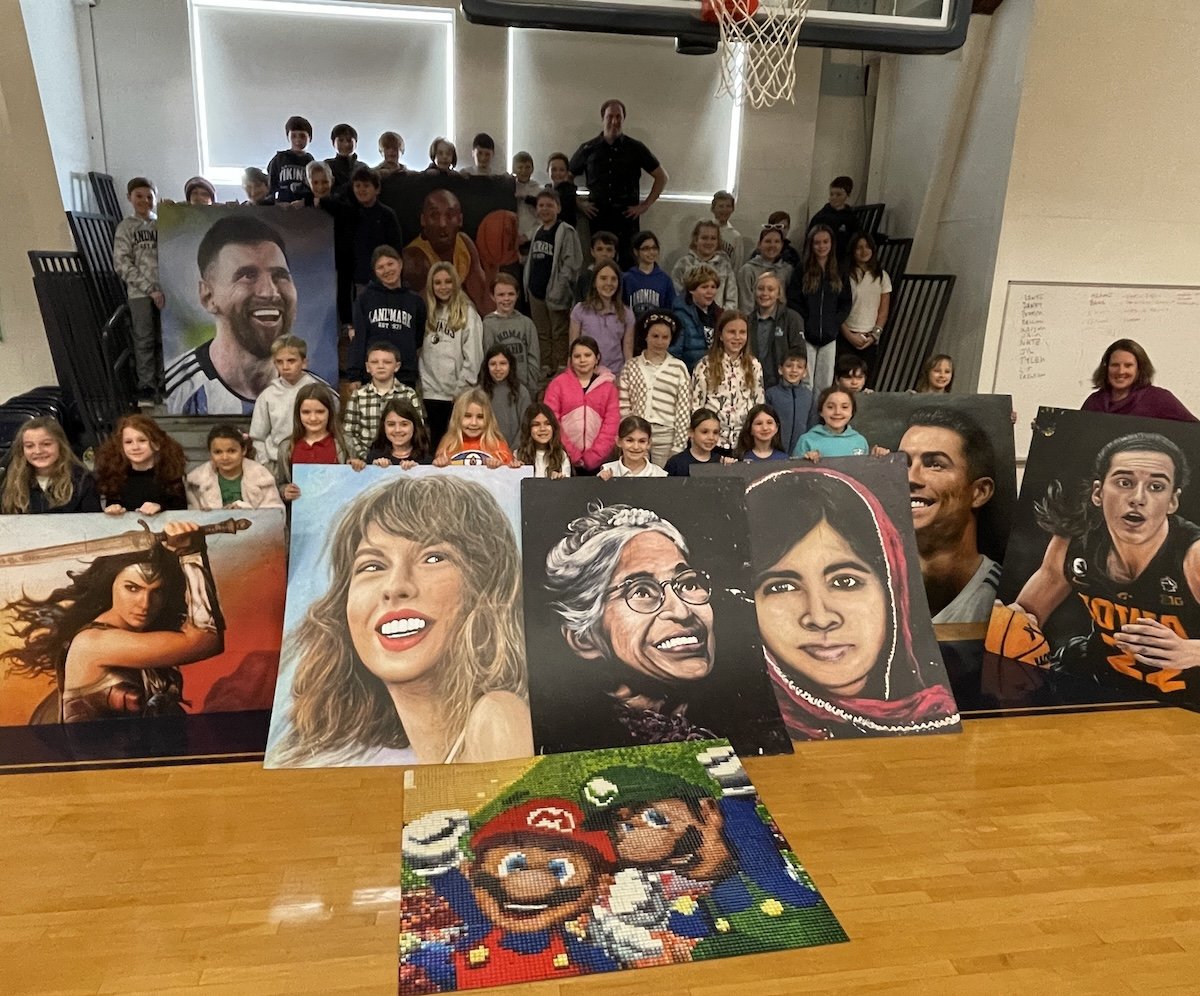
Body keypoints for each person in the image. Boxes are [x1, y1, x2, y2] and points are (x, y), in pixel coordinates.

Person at [275, 476, 532, 765]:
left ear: (486, 582)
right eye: (372, 565)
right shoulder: (347, 753)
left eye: (433, 558)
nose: (395, 586)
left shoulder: (498, 717)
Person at [745, 466, 961, 739]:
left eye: (845, 582)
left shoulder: (934, 715)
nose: (820, 617)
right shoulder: (739, 729)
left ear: (892, 588)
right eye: (781, 587)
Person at [1000, 432, 1200, 698]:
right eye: (1124, 482)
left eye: (1156, 487)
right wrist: (1004, 622)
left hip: (1182, 700)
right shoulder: (1074, 543)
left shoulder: (1192, 555)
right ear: (1098, 492)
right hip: (1097, 680)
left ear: (1172, 501)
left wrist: (1194, 652)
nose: (1138, 498)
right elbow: (1026, 616)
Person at [541, 503, 741, 749]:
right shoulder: (575, 743)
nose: (682, 611)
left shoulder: (745, 721)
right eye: (642, 591)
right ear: (584, 638)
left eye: (688, 584)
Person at [0, 520, 224, 723]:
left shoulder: (142, 636)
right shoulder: (94, 643)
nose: (144, 603)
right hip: (102, 767)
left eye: (157, 591)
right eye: (132, 588)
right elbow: (206, 639)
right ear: (110, 586)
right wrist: (191, 553)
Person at [164, 214, 297, 415]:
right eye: (248, 276)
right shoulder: (179, 392)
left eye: (280, 275)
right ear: (208, 296)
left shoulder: (317, 393)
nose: (269, 292)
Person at [898, 406, 999, 624]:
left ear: (979, 492)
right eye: (903, 463)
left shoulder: (1004, 601)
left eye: (935, 464)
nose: (911, 478)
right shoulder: (867, 589)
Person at [569, 98, 669, 267]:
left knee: (627, 265)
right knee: (600, 266)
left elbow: (662, 177)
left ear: (623, 119)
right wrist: (579, 203)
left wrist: (645, 205)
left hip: (626, 218)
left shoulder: (636, 148)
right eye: (610, 116)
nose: (614, 121)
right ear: (603, 118)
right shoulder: (588, 148)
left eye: (618, 117)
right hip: (598, 216)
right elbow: (565, 178)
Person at [402, 187, 493, 316]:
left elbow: (485, 308)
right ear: (423, 220)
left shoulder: (465, 243)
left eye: (450, 216)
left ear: (460, 220)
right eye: (434, 215)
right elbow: (428, 319)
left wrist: (493, 268)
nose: (442, 224)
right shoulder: (414, 259)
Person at [420, 261, 484, 443]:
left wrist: (462, 388)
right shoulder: (428, 313)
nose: (443, 287)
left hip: (457, 394)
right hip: (431, 392)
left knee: (458, 445)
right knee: (436, 447)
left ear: (455, 283)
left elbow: (474, 355)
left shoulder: (468, 313)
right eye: (437, 282)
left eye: (448, 281)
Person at [112, 176, 163, 403]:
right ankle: (146, 384)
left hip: (165, 293)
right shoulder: (126, 227)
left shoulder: (161, 224)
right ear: (130, 198)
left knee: (165, 338)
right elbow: (122, 263)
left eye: (149, 196)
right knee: (144, 339)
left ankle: (165, 382)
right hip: (140, 293)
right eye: (139, 196)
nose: (145, 201)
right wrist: (148, 287)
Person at [348, 245, 427, 391]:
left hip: (405, 376)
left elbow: (419, 337)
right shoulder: (365, 298)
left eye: (390, 264)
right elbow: (359, 337)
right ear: (375, 272)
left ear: (400, 264)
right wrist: (355, 375)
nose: (387, 270)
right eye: (380, 267)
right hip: (372, 376)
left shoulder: (415, 301)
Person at [618, 310, 690, 467]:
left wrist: (679, 444)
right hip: (637, 435)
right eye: (655, 336)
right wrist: (628, 434)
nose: (660, 341)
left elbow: (683, 410)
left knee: (662, 483)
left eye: (665, 337)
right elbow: (623, 405)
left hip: (666, 436)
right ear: (646, 336)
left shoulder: (678, 368)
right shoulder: (631, 366)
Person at [524, 188, 582, 380]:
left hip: (555, 291)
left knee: (559, 331)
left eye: (549, 205)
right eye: (541, 205)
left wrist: (561, 286)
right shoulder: (538, 231)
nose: (545, 209)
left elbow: (571, 262)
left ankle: (559, 364)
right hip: (535, 290)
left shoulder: (565, 231)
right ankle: (545, 364)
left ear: (558, 207)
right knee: (542, 331)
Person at [250, 335, 328, 476]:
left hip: (313, 462)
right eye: (279, 362)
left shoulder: (319, 391)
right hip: (277, 464)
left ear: (304, 362)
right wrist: (265, 465)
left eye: (291, 361)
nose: (285, 367)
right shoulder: (267, 396)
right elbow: (258, 436)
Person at [786, 224, 852, 393]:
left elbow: (846, 302)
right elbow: (794, 300)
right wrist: (806, 322)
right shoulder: (802, 269)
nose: (821, 246)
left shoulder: (839, 271)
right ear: (811, 244)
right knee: (806, 382)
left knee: (825, 384)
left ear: (832, 243)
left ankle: (821, 419)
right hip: (808, 336)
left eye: (825, 242)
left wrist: (834, 323)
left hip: (829, 338)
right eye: (817, 242)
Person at [544, 336, 620, 475]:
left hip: (601, 462)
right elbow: (551, 420)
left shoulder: (608, 387)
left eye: (587, 355)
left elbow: (611, 424)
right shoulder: (557, 384)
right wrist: (572, 454)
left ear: (597, 358)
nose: (582, 360)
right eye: (577, 356)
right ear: (571, 360)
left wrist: (594, 456)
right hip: (563, 459)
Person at [690, 310, 764, 451]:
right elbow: (696, 406)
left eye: (742, 332)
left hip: (744, 442)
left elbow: (758, 403)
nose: (737, 337)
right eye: (731, 332)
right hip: (713, 442)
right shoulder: (705, 365)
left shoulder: (754, 365)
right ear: (721, 335)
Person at [276, 383, 361, 502]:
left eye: (320, 412)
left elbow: (356, 484)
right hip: (301, 515)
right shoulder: (286, 448)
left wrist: (357, 467)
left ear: (330, 412)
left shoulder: (344, 444)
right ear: (298, 414)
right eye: (306, 412)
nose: (313, 418)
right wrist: (285, 491)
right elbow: (280, 484)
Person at [343, 342, 425, 462]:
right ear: (367, 367)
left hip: (403, 460)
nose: (380, 366)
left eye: (387, 362)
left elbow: (418, 428)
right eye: (374, 362)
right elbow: (349, 432)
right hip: (365, 462)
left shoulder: (408, 394)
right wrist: (366, 458)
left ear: (397, 366)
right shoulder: (358, 395)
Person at [0, 417, 101, 514]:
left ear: (60, 445)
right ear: (22, 449)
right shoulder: (9, 480)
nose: (38, 451)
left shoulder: (83, 480)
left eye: (46, 444)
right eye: (29, 446)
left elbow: (93, 524)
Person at [1080, 339, 1198, 421]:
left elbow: (1192, 432)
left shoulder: (1159, 399)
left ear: (1140, 368)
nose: (1121, 371)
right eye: (1115, 365)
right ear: (1106, 368)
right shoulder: (1094, 402)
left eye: (1128, 365)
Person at [95, 414, 187, 515]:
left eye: (142, 440)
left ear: (156, 444)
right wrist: (113, 509)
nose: (135, 447)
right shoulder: (115, 474)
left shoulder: (170, 473)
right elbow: (112, 503)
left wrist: (160, 508)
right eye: (128, 442)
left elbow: (180, 511)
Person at [186, 424, 283, 510]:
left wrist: (245, 509)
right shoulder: (196, 482)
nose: (225, 457)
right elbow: (192, 519)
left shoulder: (262, 477)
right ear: (210, 453)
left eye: (231, 451)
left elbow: (276, 514)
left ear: (243, 450)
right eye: (218, 452)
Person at [840, 233, 892, 382]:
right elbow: (837, 309)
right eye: (859, 248)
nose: (864, 251)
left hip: (870, 338)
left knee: (866, 382)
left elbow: (883, 311)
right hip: (846, 336)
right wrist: (848, 334)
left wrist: (875, 335)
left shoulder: (882, 276)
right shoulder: (844, 275)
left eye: (867, 247)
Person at [570, 260, 635, 379]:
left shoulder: (627, 314)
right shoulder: (579, 310)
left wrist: (626, 379)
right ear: (595, 282)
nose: (609, 283)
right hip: (585, 375)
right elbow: (572, 348)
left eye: (613, 279)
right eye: (603, 278)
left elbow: (628, 351)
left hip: (615, 376)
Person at [483, 274, 539, 397]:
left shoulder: (527, 323)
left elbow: (533, 359)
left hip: (524, 389)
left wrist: (531, 388)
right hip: (498, 390)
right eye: (501, 295)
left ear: (517, 295)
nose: (506, 299)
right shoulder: (488, 324)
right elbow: (487, 359)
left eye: (511, 294)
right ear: (493, 296)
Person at [746, 271, 804, 390]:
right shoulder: (747, 321)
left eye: (770, 289)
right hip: (754, 385)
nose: (765, 293)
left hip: (782, 386)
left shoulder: (792, 318)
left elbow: (799, 353)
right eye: (760, 289)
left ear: (779, 294)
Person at [348, 166, 403, 290]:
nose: (361, 190)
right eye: (358, 186)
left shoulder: (387, 215)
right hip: (356, 282)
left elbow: (396, 250)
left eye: (366, 186)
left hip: (383, 282)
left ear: (377, 189)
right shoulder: (349, 214)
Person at [433, 388, 515, 468]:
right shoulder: (448, 446)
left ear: (488, 420)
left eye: (480, 417)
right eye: (467, 416)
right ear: (457, 418)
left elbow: (509, 475)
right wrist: (441, 464)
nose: (474, 423)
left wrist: (499, 465)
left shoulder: (499, 447)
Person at [670, 220, 739, 313]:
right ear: (695, 239)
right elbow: (677, 296)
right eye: (704, 238)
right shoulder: (683, 264)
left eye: (713, 238)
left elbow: (732, 299)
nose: (709, 242)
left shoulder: (725, 265)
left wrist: (721, 318)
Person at [794, 387, 872, 460]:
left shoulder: (860, 441)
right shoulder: (806, 440)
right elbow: (793, 470)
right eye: (830, 407)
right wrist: (806, 460)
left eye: (844, 407)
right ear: (821, 411)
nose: (837, 412)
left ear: (852, 411)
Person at [670, 264, 723, 373]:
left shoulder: (719, 314)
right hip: (689, 375)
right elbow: (674, 353)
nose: (710, 292)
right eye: (704, 287)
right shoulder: (680, 316)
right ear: (691, 290)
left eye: (713, 287)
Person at [478, 344, 532, 448]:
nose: (498, 368)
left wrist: (512, 451)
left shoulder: (521, 392)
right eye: (493, 364)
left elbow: (525, 425)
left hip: (515, 454)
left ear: (510, 365)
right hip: (485, 452)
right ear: (486, 366)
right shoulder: (479, 393)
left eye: (503, 363)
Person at [767, 347, 818, 456]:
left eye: (799, 367)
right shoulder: (771, 394)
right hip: (775, 452)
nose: (794, 370)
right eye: (789, 366)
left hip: (801, 453)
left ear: (805, 372)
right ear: (780, 369)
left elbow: (812, 425)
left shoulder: (809, 396)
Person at [738, 224, 794, 315]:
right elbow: (745, 306)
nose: (772, 245)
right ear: (759, 244)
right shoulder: (747, 270)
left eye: (776, 241)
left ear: (782, 245)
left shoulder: (787, 270)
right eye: (768, 241)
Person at [621, 230, 675, 321]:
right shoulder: (626, 278)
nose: (651, 252)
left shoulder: (665, 280)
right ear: (636, 251)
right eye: (646, 248)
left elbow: (670, 310)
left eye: (654, 248)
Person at [664, 408, 734, 476]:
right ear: (691, 432)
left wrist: (731, 468)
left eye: (715, 432)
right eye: (704, 432)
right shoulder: (676, 463)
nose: (711, 437)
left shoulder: (721, 462)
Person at [366, 398, 432, 469]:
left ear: (415, 426)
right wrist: (375, 470)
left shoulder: (426, 460)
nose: (397, 430)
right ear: (383, 427)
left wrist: (416, 471)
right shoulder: (374, 457)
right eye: (391, 424)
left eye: (404, 424)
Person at [806, 175, 859, 261]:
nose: (834, 198)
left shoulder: (851, 218)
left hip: (842, 260)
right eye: (832, 194)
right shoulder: (821, 216)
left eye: (838, 194)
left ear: (848, 195)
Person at [599, 415, 667, 479]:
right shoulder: (607, 471)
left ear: (649, 443)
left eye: (642, 441)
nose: (636, 447)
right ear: (619, 441)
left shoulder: (659, 475)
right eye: (629, 440)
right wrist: (603, 483)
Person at [516, 403, 572, 479]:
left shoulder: (561, 455)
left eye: (547, 423)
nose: (542, 429)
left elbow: (566, 486)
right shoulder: (518, 455)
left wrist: (559, 479)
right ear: (528, 429)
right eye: (536, 424)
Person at [268, 115, 315, 203]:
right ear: (288, 138)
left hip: (305, 209)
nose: (298, 140)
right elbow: (271, 185)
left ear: (310, 138)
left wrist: (307, 202)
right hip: (282, 208)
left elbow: (314, 189)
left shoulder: (311, 162)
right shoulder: (279, 159)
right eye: (293, 136)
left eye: (302, 136)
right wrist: (275, 203)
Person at [575, 230, 619, 304]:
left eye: (609, 250)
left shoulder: (621, 277)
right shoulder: (584, 279)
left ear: (614, 253)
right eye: (600, 249)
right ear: (592, 252)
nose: (604, 254)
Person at [711, 190, 744, 271]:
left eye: (728, 206)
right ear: (713, 208)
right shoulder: (703, 230)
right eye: (721, 206)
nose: (724, 210)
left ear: (732, 209)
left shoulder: (736, 237)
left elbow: (737, 265)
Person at [512, 150, 540, 241]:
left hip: (531, 235)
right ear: (514, 169)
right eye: (520, 167)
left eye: (527, 167)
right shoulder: (510, 186)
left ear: (532, 169)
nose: (524, 171)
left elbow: (540, 217)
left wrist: (527, 236)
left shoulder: (536, 189)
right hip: (512, 235)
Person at [547, 151, 579, 227]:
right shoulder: (546, 189)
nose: (557, 173)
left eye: (561, 170)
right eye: (554, 170)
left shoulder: (569, 192)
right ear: (547, 171)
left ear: (567, 172)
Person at [324, 122, 358, 191]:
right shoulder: (326, 166)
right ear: (333, 143)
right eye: (341, 140)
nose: (345, 144)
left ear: (356, 143)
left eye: (349, 140)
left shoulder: (363, 168)